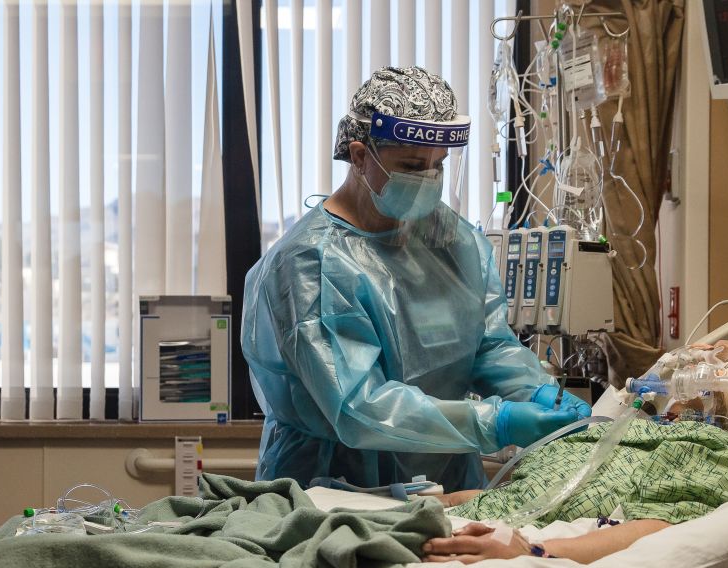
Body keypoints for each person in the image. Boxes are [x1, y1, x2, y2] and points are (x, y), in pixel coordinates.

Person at [242, 66, 589, 493]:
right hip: (336, 486)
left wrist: (535, 391)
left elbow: (488, 345)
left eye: (437, 166)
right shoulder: (311, 264)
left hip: (448, 480)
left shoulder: (449, 239)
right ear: (359, 155)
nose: (427, 179)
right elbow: (358, 406)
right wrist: (494, 422)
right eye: (410, 165)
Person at [422, 310, 728, 563]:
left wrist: (533, 553)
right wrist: (421, 501)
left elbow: (658, 531)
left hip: (479, 547)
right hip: (447, 518)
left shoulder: (717, 455)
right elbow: (524, 493)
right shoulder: (659, 430)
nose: (712, 349)